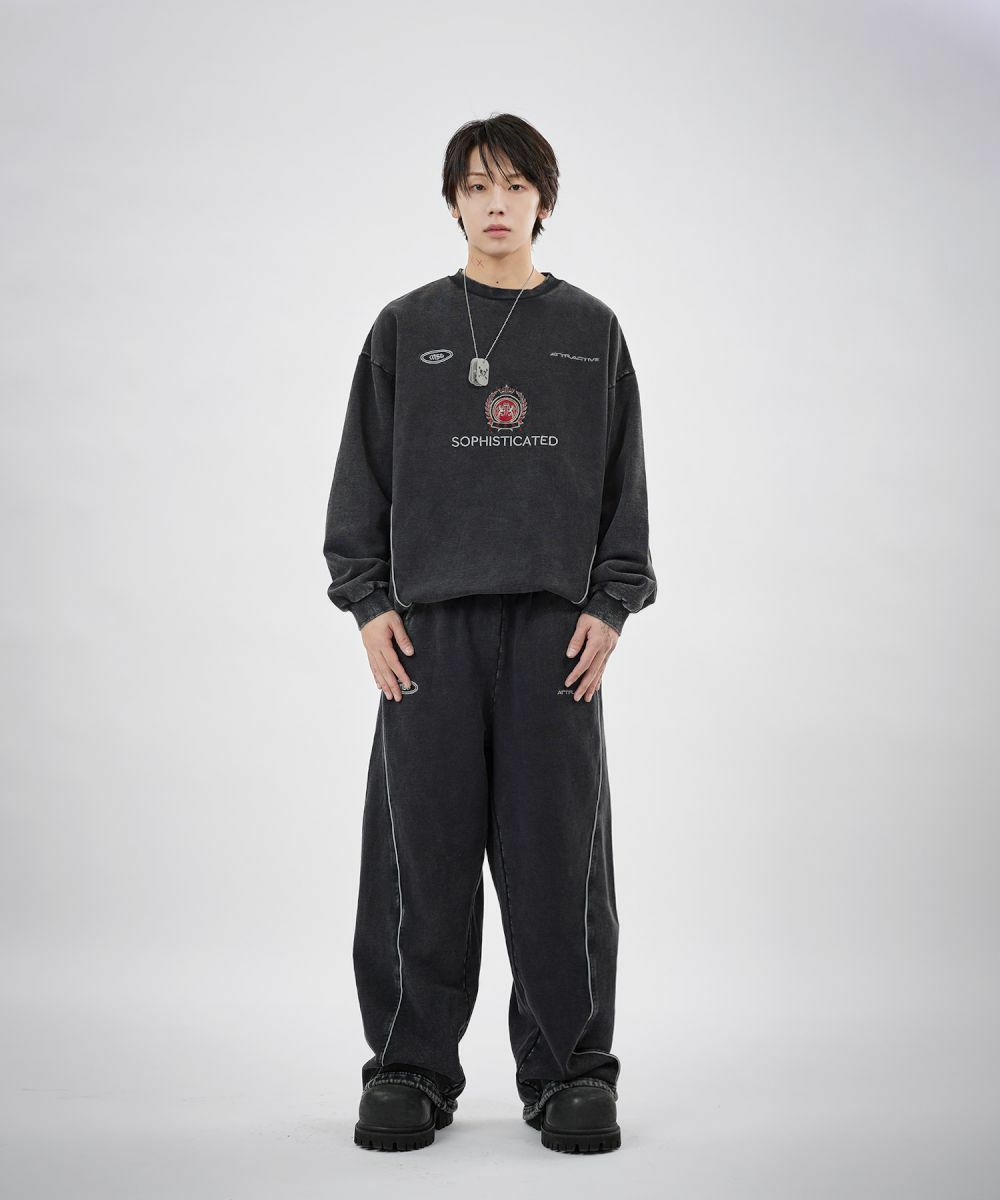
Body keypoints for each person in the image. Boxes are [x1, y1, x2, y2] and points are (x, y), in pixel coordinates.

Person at [322, 113, 656, 1154]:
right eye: (476, 185)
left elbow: (624, 488)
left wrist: (609, 605)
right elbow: (360, 477)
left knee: (559, 856)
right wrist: (369, 602)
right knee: (418, 854)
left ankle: (568, 1070)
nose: (496, 202)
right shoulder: (404, 329)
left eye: (514, 184)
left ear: (543, 200)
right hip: (428, 635)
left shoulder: (591, 331)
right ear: (454, 202)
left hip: (555, 636)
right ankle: (411, 1065)